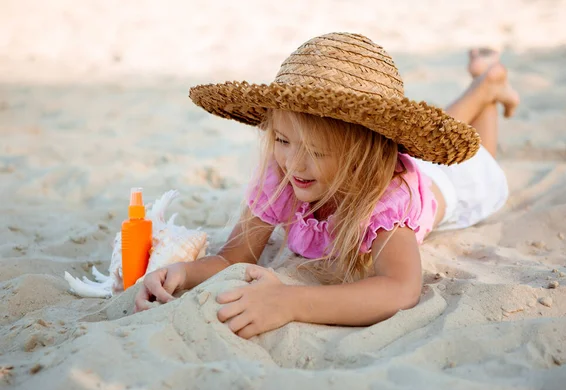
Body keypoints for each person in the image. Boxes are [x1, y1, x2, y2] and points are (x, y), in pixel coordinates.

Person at [134, 33, 519, 339]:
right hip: (379, 161)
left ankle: (487, 89)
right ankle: (486, 84)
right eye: (283, 141)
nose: (294, 164)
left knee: (478, 157)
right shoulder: (284, 171)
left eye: (316, 151)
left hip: (443, 186)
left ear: (362, 155)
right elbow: (235, 256)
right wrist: (185, 272)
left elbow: (401, 288)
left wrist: (290, 302)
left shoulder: (386, 202)